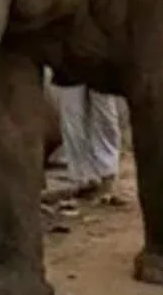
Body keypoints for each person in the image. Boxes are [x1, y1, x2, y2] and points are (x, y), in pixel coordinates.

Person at [47, 69, 123, 198]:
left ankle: (107, 172)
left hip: (101, 60)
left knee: (105, 112)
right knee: (72, 116)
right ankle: (82, 176)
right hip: (69, 61)